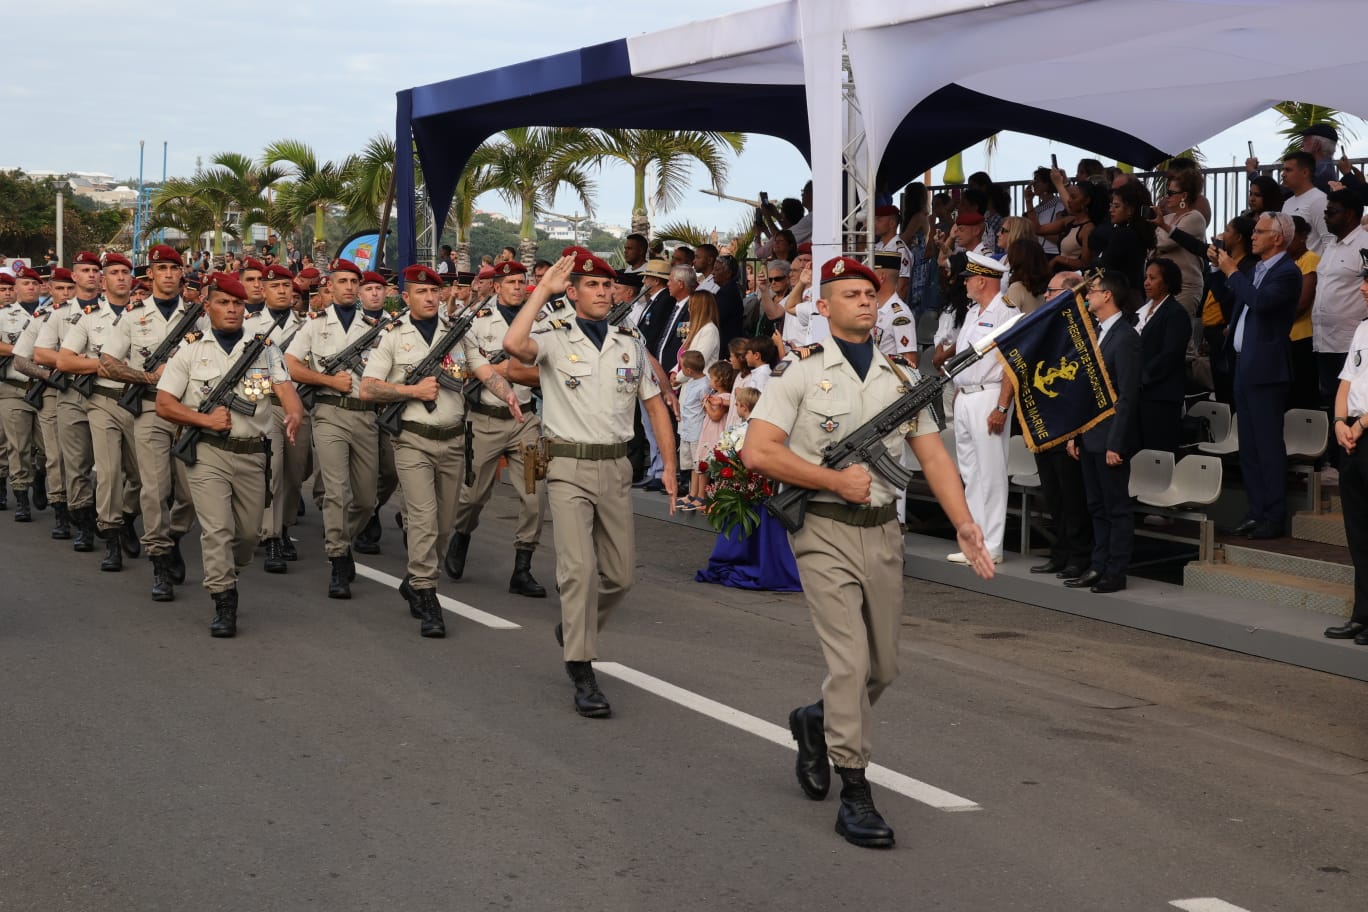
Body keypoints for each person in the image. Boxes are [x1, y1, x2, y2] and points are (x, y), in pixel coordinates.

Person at [742, 255, 993, 849]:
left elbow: (933, 456)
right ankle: (855, 792)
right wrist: (832, 480)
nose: (865, 301)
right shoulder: (797, 376)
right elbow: (759, 451)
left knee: (883, 668)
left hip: (883, 532)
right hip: (823, 528)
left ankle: (815, 720)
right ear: (822, 308)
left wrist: (964, 524)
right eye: (851, 294)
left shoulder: (902, 382)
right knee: (851, 664)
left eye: (870, 293)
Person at [502, 253, 678, 719]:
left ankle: (575, 627)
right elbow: (513, 343)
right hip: (567, 467)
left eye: (608, 285)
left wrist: (671, 466)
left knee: (620, 576)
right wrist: (543, 290)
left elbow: (656, 406)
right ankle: (581, 666)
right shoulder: (556, 339)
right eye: (593, 284)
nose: (603, 291)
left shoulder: (630, 343)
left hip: (615, 467)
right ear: (573, 291)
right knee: (577, 570)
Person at [361, 264, 522, 637]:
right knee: (423, 517)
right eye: (421, 291)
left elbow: (484, 371)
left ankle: (416, 580)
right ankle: (427, 591)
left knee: (445, 523)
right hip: (413, 439)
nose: (431, 297)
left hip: (452, 440)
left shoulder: (458, 334)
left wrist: (508, 394)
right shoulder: (392, 337)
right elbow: (368, 388)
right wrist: (410, 391)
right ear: (406, 297)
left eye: (435, 291)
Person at [154, 273, 303, 637]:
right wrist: (202, 418)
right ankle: (224, 598)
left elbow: (285, 390)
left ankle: (227, 570)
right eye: (223, 303)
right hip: (208, 453)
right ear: (209, 308)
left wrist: (295, 412)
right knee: (217, 530)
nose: (232, 309)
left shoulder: (264, 349)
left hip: (253, 454)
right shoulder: (189, 351)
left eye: (237, 304)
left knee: (248, 536)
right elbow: (164, 404)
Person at [95, 245, 199, 600]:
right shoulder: (132, 315)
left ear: (182, 273)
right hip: (151, 410)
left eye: (174, 268)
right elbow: (108, 362)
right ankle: (159, 561)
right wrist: (146, 377)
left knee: (189, 493)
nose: (169, 274)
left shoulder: (199, 316)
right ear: (150, 274)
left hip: (188, 414)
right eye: (162, 268)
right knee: (155, 489)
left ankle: (174, 538)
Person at [444, 260, 549, 598]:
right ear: (497, 286)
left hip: (526, 423)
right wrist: (490, 369)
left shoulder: (541, 321)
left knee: (535, 495)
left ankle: (523, 567)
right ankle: (461, 535)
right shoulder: (475, 322)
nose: (519, 287)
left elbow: (550, 369)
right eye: (512, 282)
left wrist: (514, 372)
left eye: (523, 281)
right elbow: (456, 367)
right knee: (473, 496)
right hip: (485, 419)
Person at [285, 258, 382, 599]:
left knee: (367, 499)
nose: (349, 288)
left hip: (367, 416)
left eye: (354, 282)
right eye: (342, 282)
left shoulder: (375, 327)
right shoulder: (314, 326)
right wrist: (328, 380)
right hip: (329, 413)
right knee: (336, 491)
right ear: (330, 286)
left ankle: (344, 538)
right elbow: (291, 365)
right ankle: (338, 556)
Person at [1214, 212, 1302, 538]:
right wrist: (1220, 270)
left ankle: (1274, 516)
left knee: (1267, 447)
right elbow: (1235, 300)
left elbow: (1261, 303)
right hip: (1243, 367)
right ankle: (1256, 511)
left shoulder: (1288, 273)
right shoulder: (1254, 269)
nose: (1253, 235)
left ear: (1277, 238)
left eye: (1260, 231)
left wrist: (1232, 272)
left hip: (1266, 371)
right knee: (1248, 447)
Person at [55, 252, 142, 570]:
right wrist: (106, 366)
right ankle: (111, 536)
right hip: (103, 401)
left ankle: (128, 517)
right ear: (103, 280)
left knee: (143, 476)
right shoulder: (90, 318)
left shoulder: (146, 315)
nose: (121, 277)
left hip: (142, 402)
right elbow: (65, 361)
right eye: (114, 272)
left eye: (125, 272)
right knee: (107, 471)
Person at [1065, 271, 1141, 593]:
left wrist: (1116, 443)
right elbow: (1085, 390)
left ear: (1107, 295)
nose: (1087, 296)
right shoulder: (1094, 333)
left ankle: (1116, 569)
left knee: (1116, 507)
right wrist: (1075, 433)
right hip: (1090, 434)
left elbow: (1128, 395)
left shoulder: (1125, 337)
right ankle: (1098, 565)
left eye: (1092, 291)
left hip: (1111, 437)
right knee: (1095, 505)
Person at [948, 252, 1015, 564]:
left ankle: (993, 545)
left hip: (990, 396)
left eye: (968, 279)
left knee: (991, 473)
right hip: (966, 396)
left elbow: (1012, 366)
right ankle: (974, 542)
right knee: (971, 473)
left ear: (982, 280)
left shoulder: (1006, 312)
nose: (964, 284)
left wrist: (1002, 406)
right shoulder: (974, 312)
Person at [245, 264, 309, 572]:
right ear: (264, 291)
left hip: (299, 406)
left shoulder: (308, 323)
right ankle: (272, 536)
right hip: (265, 405)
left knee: (296, 473)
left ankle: (283, 526)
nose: (282, 290)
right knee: (273, 469)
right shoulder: (249, 324)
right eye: (275, 286)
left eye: (286, 285)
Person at [36, 254, 100, 551]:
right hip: (72, 391)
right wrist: (75, 361)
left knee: (116, 467)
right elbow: (41, 354)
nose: (91, 275)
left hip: (109, 393)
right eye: (85, 271)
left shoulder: (118, 311)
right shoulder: (59, 314)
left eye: (95, 271)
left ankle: (116, 516)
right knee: (76, 463)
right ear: (74, 277)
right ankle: (84, 522)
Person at [1323, 260, 1368, 646]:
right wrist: (1339, 422)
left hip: (1364, 429)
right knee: (1358, 531)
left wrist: (1361, 424)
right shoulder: (1363, 329)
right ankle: (1361, 615)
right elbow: (1346, 381)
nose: (1363, 288)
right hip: (1351, 436)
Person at [1310, 190, 1368, 460]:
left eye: (1331, 211)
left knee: (1350, 403)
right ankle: (1336, 457)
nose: (1326, 216)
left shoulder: (1365, 245)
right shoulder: (1329, 245)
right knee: (1329, 400)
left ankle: (1347, 455)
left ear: (1351, 214)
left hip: (1351, 342)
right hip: (1323, 339)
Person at [1135, 258, 1192, 454]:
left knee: (1158, 451)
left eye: (1153, 278)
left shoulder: (1176, 313)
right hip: (1139, 395)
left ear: (1167, 282)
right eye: (1145, 278)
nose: (1147, 282)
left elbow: (1170, 354)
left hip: (1160, 396)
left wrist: (1141, 377)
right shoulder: (1141, 311)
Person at [0, 270, 43, 521]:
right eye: (25, 284)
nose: (30, 288)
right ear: (16, 288)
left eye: (34, 284)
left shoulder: (49, 314)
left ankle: (40, 476)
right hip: (14, 389)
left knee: (49, 449)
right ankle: (21, 496)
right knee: (18, 446)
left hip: (46, 388)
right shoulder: (4, 316)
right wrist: (25, 349)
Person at [676, 350, 709, 510]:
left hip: (697, 430)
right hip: (687, 429)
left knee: (699, 464)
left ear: (688, 371)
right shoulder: (690, 382)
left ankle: (700, 495)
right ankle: (692, 493)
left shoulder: (704, 385)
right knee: (690, 464)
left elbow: (705, 407)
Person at [1280, 152, 1329, 254]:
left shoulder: (1319, 200)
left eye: (1288, 170)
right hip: (1289, 267)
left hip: (1311, 268)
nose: (1283, 174)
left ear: (1305, 172)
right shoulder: (1287, 203)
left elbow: (1329, 241)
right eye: (1283, 170)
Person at [678, 290, 720, 372]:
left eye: (691, 306)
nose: (688, 309)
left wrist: (678, 378)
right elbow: (681, 351)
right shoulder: (693, 327)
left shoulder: (709, 330)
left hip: (698, 381)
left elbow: (696, 363)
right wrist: (674, 371)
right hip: (686, 379)